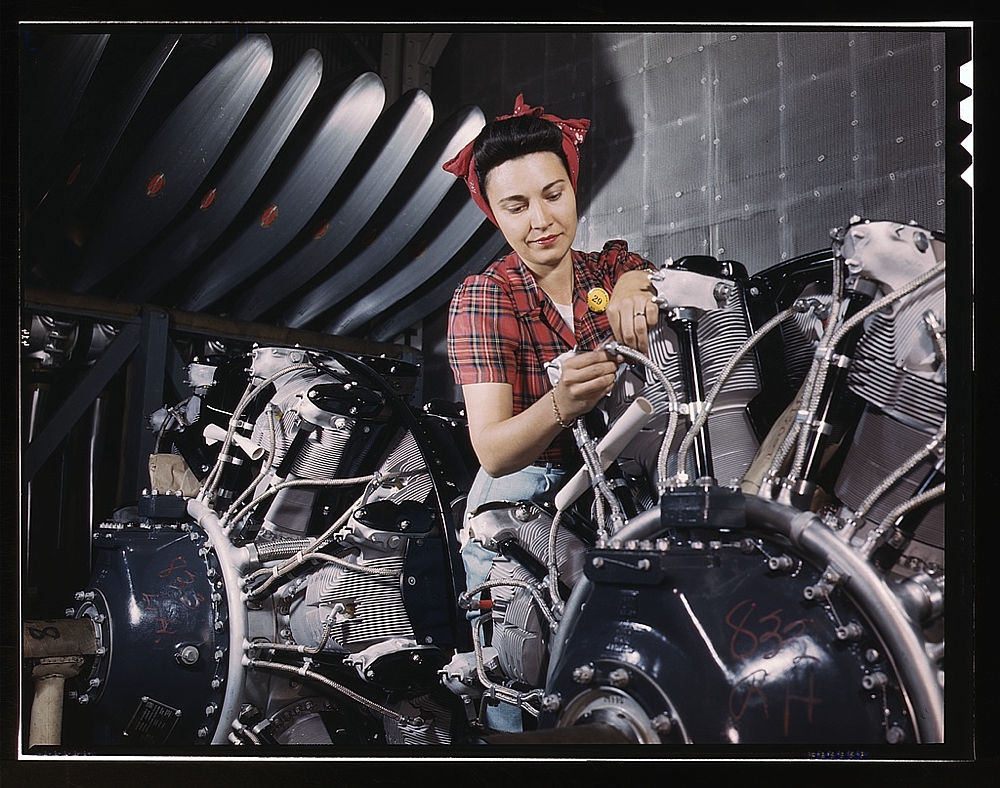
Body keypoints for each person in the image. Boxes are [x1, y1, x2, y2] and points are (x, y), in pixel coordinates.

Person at [443, 96, 657, 729]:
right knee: (527, 697)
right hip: (523, 505)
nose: (542, 220)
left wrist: (634, 284)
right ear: (492, 212)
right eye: (516, 206)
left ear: (572, 185)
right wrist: (561, 404)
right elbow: (494, 449)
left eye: (553, 194)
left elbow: (644, 280)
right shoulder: (487, 296)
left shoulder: (609, 266)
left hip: (614, 495)